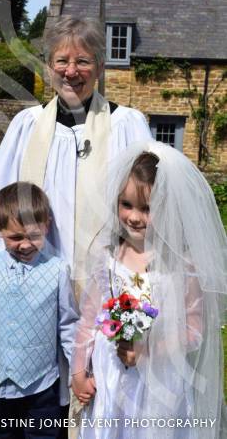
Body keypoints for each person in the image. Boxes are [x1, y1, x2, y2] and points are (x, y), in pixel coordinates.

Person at [0, 16, 153, 306]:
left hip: (106, 281)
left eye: (83, 61)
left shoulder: (127, 125)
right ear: (48, 67)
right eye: (61, 61)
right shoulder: (26, 126)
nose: (71, 71)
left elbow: (151, 202)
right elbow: (0, 200)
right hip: (33, 276)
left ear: (100, 69)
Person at [71, 141, 227, 438]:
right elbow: (87, 322)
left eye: (147, 208)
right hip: (111, 377)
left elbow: (194, 332)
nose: (134, 217)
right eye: (126, 204)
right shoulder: (107, 258)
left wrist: (148, 350)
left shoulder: (181, 267)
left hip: (161, 382)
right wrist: (79, 372)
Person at [0, 182, 79, 439]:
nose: (25, 245)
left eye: (34, 236)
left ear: (46, 226)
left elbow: (68, 325)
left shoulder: (57, 270)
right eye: (15, 237)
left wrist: (78, 370)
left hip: (43, 387)